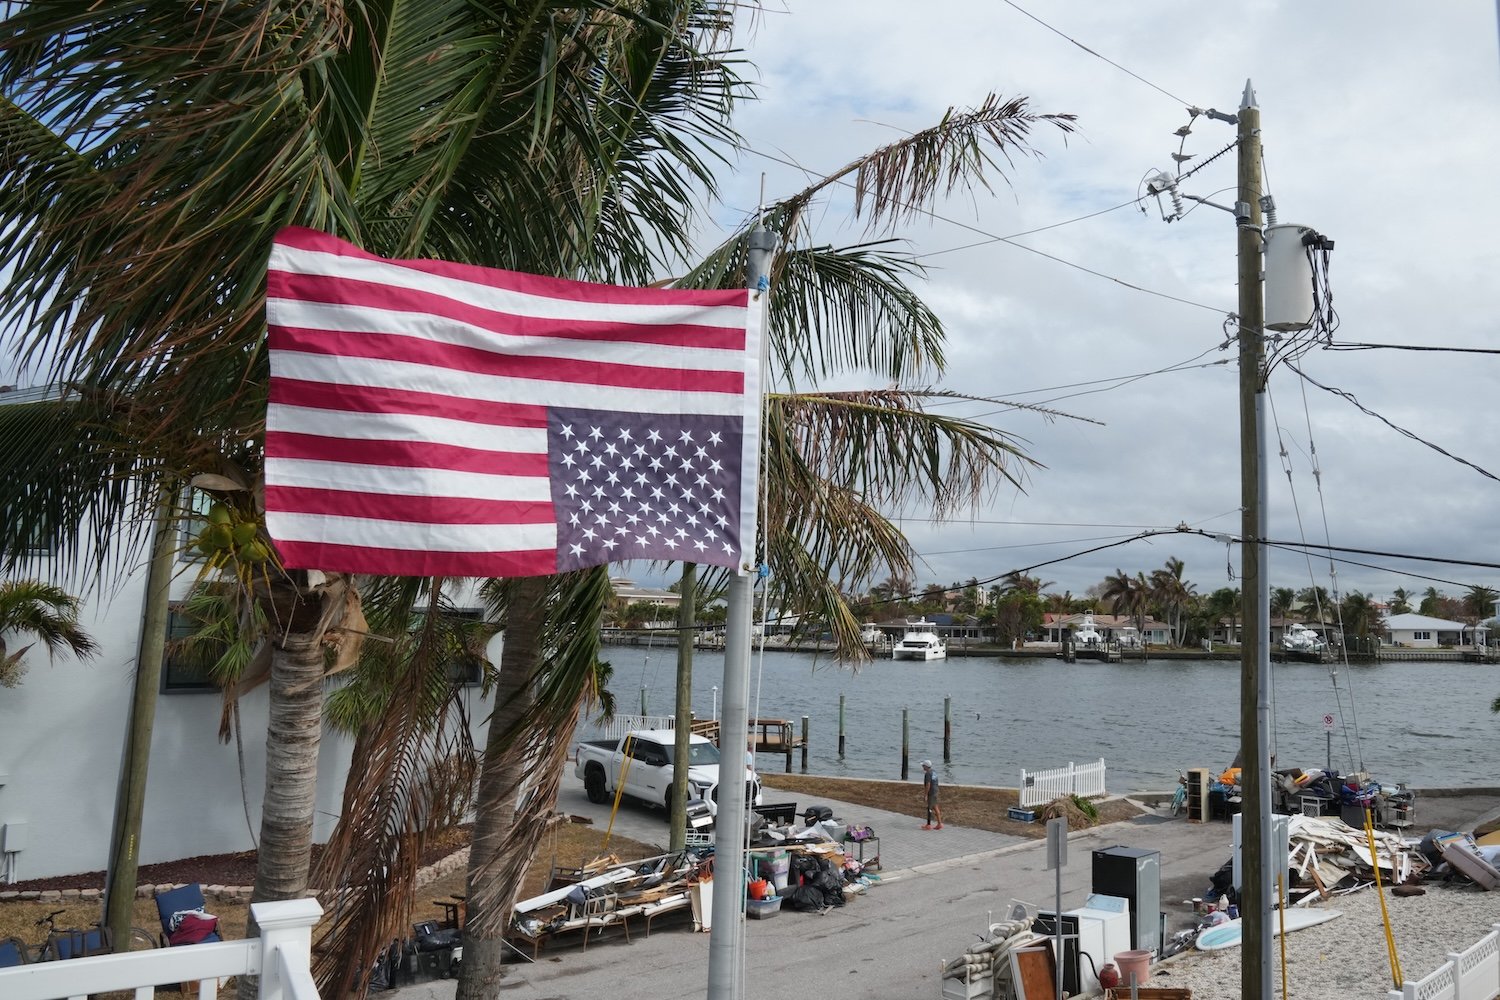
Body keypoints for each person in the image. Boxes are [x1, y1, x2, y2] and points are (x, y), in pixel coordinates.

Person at [921, 760, 943, 830]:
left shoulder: (928, 774)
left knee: (929, 808)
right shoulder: (934, 772)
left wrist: (926, 795)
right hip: (936, 791)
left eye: (923, 766)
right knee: (935, 807)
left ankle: (928, 825)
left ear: (926, 766)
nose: (922, 767)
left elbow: (928, 784)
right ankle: (939, 823)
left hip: (931, 793)